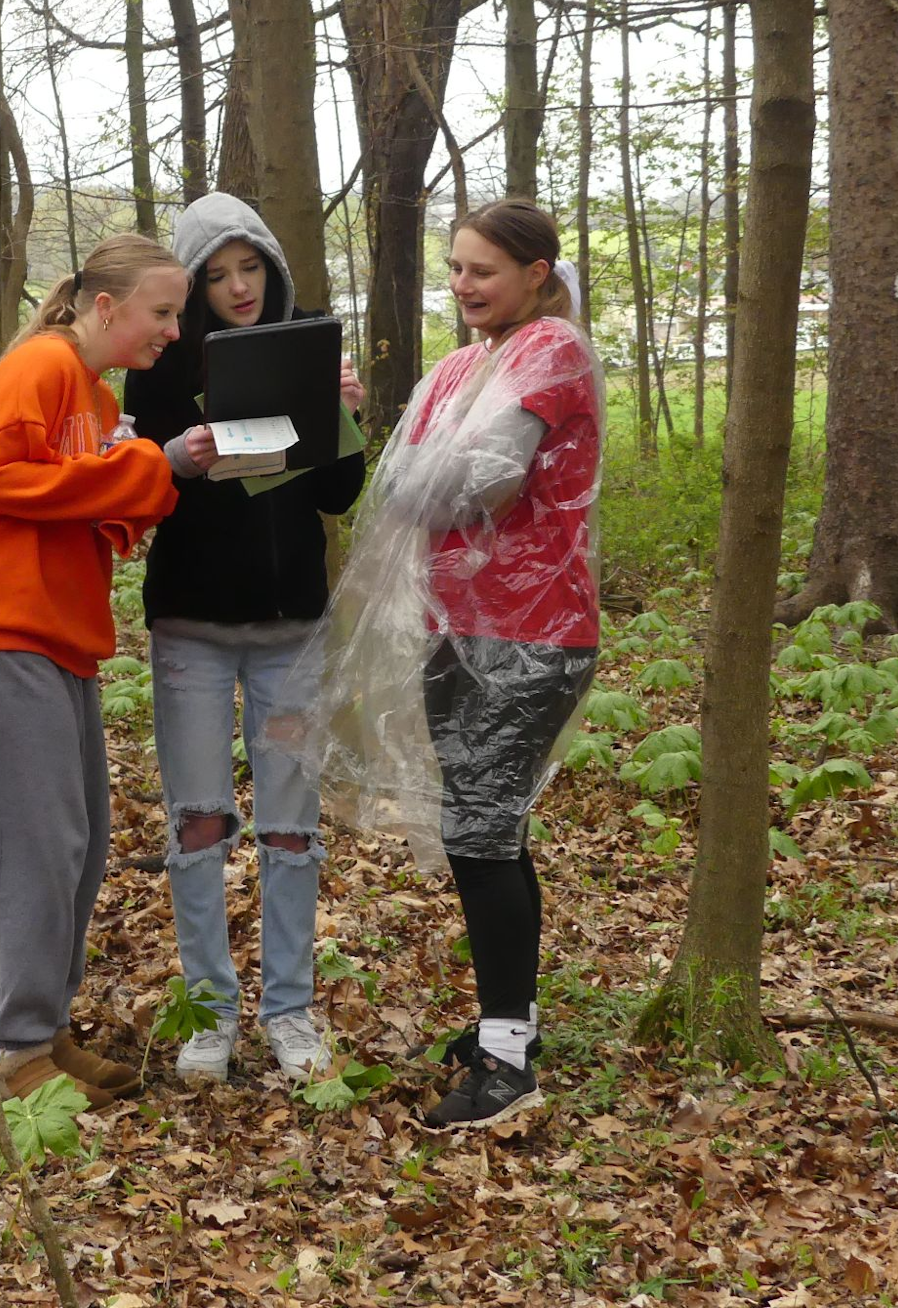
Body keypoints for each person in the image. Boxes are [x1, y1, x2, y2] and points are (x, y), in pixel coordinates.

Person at [314, 198, 601, 1127]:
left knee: (481, 841)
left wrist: (418, 468)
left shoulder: (549, 350)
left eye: (482, 269)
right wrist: (411, 464)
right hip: (462, 628)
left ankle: (509, 1062)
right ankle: (505, 1028)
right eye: (454, 267)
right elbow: (402, 477)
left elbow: (471, 481)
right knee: (490, 835)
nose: (463, 284)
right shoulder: (467, 365)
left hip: (529, 634)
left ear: (535, 272)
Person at [0, 233, 210, 1105]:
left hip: (57, 630)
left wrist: (155, 477)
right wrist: (150, 464)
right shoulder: (43, 364)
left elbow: (83, 502)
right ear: (106, 307)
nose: (170, 331)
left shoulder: (93, 390)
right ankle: (15, 1050)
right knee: (32, 846)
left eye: (177, 316)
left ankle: (41, 1026)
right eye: (161, 314)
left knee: (75, 845)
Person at [122, 193, 367, 1085]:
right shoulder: (158, 360)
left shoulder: (308, 341)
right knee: (196, 823)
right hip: (190, 624)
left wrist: (344, 416)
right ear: (191, 286)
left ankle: (291, 1012)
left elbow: (337, 496)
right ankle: (209, 1013)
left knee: (291, 829)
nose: (238, 288)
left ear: (272, 264)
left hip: (291, 628)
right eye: (217, 274)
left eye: (250, 267)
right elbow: (143, 490)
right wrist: (183, 455)